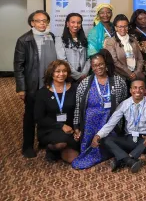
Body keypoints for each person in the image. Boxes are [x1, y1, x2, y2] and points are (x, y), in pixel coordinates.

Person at [72, 50, 128, 169]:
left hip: (110, 121)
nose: (99, 67)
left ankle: (107, 153)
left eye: (101, 64)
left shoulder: (118, 81)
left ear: (106, 64)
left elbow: (123, 102)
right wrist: (76, 127)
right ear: (92, 67)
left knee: (109, 140)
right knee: (86, 152)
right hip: (90, 122)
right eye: (95, 65)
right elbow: (78, 106)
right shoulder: (85, 83)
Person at [15, 10, 58, 158]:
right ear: (32, 23)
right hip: (32, 84)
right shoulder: (24, 40)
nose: (42, 23)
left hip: (49, 83)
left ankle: (43, 140)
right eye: (38, 21)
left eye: (45, 20)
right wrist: (21, 88)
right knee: (31, 116)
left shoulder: (50, 36)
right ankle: (27, 146)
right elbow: (18, 66)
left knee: (46, 113)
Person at [91, 80, 146, 173]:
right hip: (129, 139)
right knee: (105, 139)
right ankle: (129, 160)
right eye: (135, 88)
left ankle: (121, 159)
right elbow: (111, 123)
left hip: (144, 138)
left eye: (141, 88)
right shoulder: (124, 104)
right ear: (130, 90)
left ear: (145, 91)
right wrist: (98, 135)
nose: (138, 90)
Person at [34, 60, 79, 163]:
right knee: (61, 143)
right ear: (51, 73)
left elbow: (79, 111)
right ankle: (52, 149)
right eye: (57, 71)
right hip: (50, 128)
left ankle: (60, 150)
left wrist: (77, 128)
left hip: (70, 128)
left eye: (64, 71)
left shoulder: (75, 88)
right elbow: (39, 118)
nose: (61, 74)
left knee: (73, 159)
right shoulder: (42, 93)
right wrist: (61, 126)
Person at [105, 14, 145, 82]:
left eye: (125, 26)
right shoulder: (110, 42)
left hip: (136, 76)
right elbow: (114, 61)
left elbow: (140, 58)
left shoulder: (133, 40)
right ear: (115, 28)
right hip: (120, 77)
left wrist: (136, 73)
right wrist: (129, 73)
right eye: (120, 27)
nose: (123, 29)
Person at [55, 13, 90, 82]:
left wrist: (84, 74)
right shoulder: (60, 40)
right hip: (68, 76)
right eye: (73, 22)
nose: (76, 25)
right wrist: (77, 76)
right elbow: (62, 60)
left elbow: (88, 58)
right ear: (67, 24)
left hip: (84, 77)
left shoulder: (84, 39)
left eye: (79, 23)